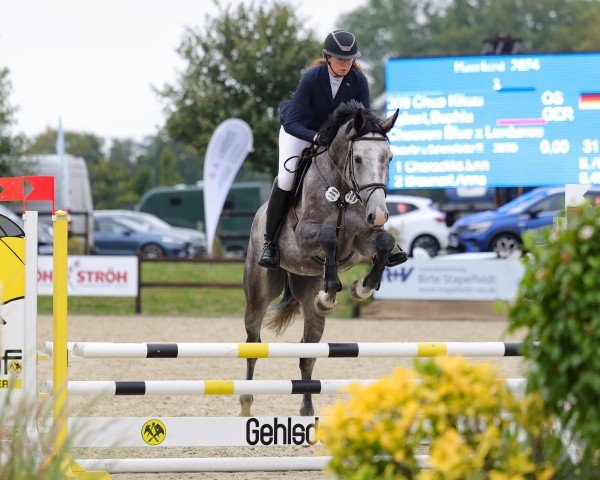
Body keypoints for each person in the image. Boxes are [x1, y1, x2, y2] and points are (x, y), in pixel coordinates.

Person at [258, 29, 370, 269]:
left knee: (365, 173)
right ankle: (270, 243)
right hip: (301, 132)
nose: (345, 64)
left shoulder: (359, 80)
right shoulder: (312, 77)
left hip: (335, 140)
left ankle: (377, 236)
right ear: (328, 57)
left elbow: (364, 118)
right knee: (287, 179)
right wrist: (315, 137)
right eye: (340, 59)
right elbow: (291, 122)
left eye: (350, 59)